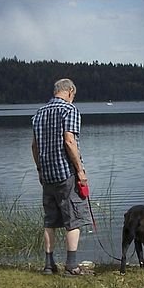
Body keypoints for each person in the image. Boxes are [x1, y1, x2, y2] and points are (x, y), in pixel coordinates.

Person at [31, 78, 91, 275]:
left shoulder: (39, 113)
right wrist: (80, 171)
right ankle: (72, 265)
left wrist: (40, 169)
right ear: (70, 92)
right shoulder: (69, 110)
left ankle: (49, 265)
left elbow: (34, 146)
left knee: (50, 221)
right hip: (66, 174)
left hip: (47, 175)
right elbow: (69, 141)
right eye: (74, 95)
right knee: (73, 219)